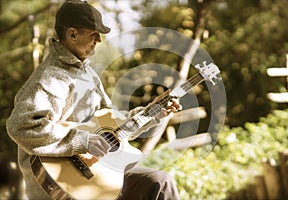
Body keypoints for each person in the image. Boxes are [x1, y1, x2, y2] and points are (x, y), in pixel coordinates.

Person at [6, 0, 181, 199]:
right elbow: (21, 126)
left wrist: (152, 113)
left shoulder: (87, 74)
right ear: (72, 34)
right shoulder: (50, 79)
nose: (98, 40)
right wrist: (82, 141)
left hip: (101, 172)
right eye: (93, 33)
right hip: (65, 186)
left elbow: (112, 122)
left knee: (159, 182)